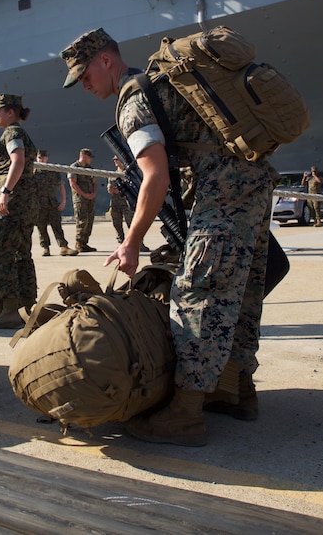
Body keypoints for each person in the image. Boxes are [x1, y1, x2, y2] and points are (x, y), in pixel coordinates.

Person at [61, 28, 275, 446]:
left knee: (198, 294)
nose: (83, 85)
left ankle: (185, 411)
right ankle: (237, 390)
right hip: (252, 186)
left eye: (84, 74)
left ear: (106, 61)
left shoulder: (133, 101)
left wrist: (132, 241)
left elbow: (154, 175)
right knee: (242, 293)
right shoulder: (161, 82)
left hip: (221, 194)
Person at [0, 94, 38, 328]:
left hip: (13, 206)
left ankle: (10, 310)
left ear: (11, 112)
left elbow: (18, 162)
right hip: (26, 204)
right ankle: (28, 306)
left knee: (2, 255)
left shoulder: (12, 133)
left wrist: (4, 192)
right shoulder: (21, 134)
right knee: (22, 254)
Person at [34, 149, 76, 257]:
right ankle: (45, 248)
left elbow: (61, 186)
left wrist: (63, 200)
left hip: (52, 203)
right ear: (36, 158)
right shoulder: (33, 172)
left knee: (57, 226)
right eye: (39, 158)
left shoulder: (53, 170)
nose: (41, 160)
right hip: (39, 204)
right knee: (41, 227)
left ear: (47, 158)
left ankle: (63, 247)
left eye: (43, 157)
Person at [68, 148, 97, 252]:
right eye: (90, 157)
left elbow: (94, 182)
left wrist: (93, 193)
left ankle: (84, 243)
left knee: (89, 221)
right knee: (82, 221)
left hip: (90, 199)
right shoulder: (74, 167)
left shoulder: (90, 168)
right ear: (84, 156)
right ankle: (79, 243)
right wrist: (84, 195)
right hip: (80, 199)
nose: (91, 160)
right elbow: (73, 184)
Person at [107, 156, 134, 245]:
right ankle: (121, 243)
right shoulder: (113, 174)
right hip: (115, 203)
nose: (115, 161)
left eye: (117, 159)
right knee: (117, 224)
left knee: (132, 224)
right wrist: (112, 189)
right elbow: (109, 188)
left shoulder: (129, 173)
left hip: (127, 203)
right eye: (114, 160)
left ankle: (137, 243)